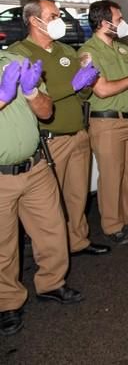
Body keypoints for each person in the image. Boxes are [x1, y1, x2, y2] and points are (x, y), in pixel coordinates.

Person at [9, 0, 109, 256]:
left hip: (78, 132)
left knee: (78, 195)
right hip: (50, 139)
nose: (60, 21)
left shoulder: (67, 51)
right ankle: (56, 249)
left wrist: (86, 86)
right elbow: (36, 95)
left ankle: (78, 240)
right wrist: (73, 85)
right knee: (52, 204)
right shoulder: (20, 53)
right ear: (34, 20)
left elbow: (80, 95)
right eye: (53, 16)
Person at [0, 51, 83, 336]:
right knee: (3, 245)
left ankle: (51, 283)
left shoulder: (14, 58)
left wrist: (32, 91)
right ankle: (7, 303)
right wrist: (3, 95)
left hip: (35, 167)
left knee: (52, 230)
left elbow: (46, 112)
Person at [78, 0, 128, 245]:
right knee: (112, 175)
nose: (123, 23)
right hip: (107, 123)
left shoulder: (122, 49)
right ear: (104, 23)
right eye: (119, 18)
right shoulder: (88, 52)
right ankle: (112, 224)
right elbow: (101, 90)